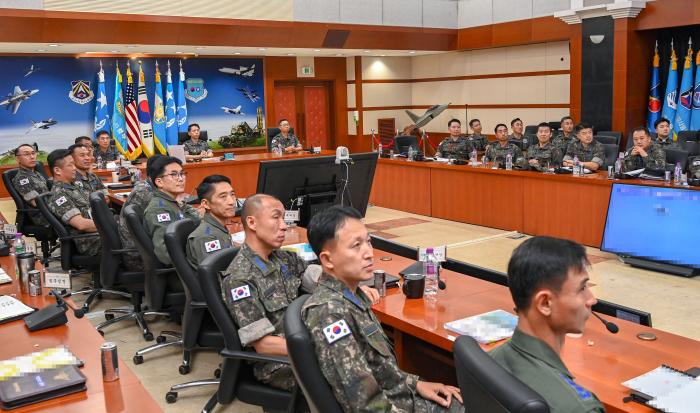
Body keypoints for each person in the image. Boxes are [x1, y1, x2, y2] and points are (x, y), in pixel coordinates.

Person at [303, 206, 464, 412]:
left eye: (368, 242)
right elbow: (365, 403)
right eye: (356, 246)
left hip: (401, 395)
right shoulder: (330, 313)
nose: (369, 253)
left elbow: (378, 368)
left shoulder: (353, 296)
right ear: (327, 260)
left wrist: (416, 384)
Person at [220, 194, 379, 392]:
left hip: (310, 339)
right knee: (360, 378)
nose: (284, 226)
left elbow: (320, 277)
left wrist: (351, 284)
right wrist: (321, 349)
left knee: (373, 358)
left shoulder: (285, 258)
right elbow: (264, 345)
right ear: (251, 222)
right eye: (276, 217)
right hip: (282, 362)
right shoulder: (240, 279)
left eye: (284, 218)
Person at [490, 236, 604, 413]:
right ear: (544, 303)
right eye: (582, 288)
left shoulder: (490, 360)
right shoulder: (580, 408)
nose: (591, 299)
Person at [143, 156, 201, 267]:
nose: (180, 179)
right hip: (182, 272)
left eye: (182, 173)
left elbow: (194, 222)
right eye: (174, 175)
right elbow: (165, 254)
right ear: (159, 182)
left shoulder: (171, 202)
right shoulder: (159, 209)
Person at [46, 149, 101, 256]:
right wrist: (112, 225)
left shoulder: (73, 187)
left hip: (98, 233)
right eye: (70, 165)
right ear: (57, 170)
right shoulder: (58, 195)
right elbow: (81, 224)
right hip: (89, 241)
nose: (75, 168)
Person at [118, 155, 162, 271]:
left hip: (141, 250)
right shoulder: (146, 193)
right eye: (172, 174)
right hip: (139, 257)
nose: (179, 178)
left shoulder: (145, 186)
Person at [186, 175, 237, 266]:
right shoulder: (206, 238)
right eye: (223, 196)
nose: (232, 202)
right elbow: (218, 275)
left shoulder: (217, 226)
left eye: (232, 194)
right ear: (206, 204)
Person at [11, 143, 49, 226]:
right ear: (18, 159)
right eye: (26, 154)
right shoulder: (22, 179)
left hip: (52, 211)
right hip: (44, 217)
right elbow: (36, 202)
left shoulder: (37, 173)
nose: (32, 157)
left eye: (33, 153)